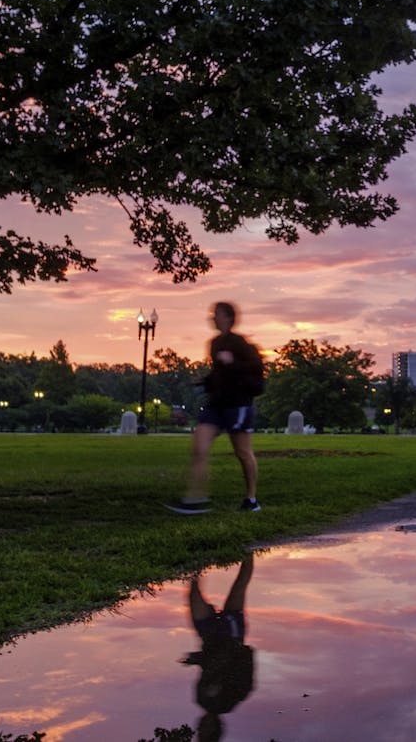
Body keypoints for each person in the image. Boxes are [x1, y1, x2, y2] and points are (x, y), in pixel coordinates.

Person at [167, 302, 265, 514]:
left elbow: (257, 367)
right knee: (199, 447)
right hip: (216, 403)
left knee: (243, 453)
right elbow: (219, 373)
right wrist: (205, 381)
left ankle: (251, 499)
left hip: (238, 404)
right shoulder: (213, 343)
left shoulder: (240, 343)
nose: (212, 318)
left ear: (229, 318)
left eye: (217, 314)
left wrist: (233, 363)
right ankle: (195, 499)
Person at [182, 552, 255, 742]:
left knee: (193, 594)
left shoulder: (200, 699)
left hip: (209, 637)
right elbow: (240, 668)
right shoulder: (229, 701)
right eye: (205, 731)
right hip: (231, 637)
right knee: (239, 586)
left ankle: (198, 556)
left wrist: (197, 660)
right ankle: (249, 548)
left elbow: (208, 666)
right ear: (215, 729)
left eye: (200, 731)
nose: (201, 727)